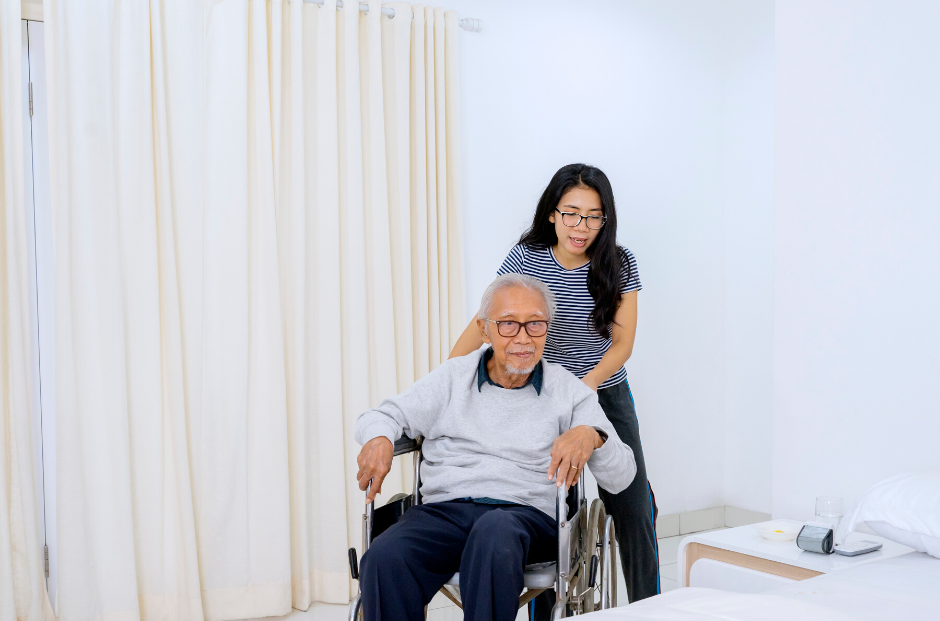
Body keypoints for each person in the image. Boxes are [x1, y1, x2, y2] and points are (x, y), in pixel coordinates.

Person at [355, 274, 636, 621]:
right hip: (444, 513)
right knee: (384, 557)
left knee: (494, 532)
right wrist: (379, 438)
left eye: (535, 324)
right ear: (484, 329)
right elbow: (382, 415)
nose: (523, 337)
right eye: (508, 324)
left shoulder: (568, 391)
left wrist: (593, 436)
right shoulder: (452, 377)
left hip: (525, 518)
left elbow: (622, 477)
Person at [449, 163, 659, 604]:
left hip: (602, 388)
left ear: (605, 219)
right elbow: (485, 322)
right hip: (540, 394)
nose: (581, 227)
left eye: (593, 216)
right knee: (546, 504)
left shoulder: (619, 262)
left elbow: (622, 344)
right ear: (552, 213)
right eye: (571, 214)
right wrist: (449, 377)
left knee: (634, 504)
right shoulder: (527, 257)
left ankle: (650, 607)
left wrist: (586, 386)